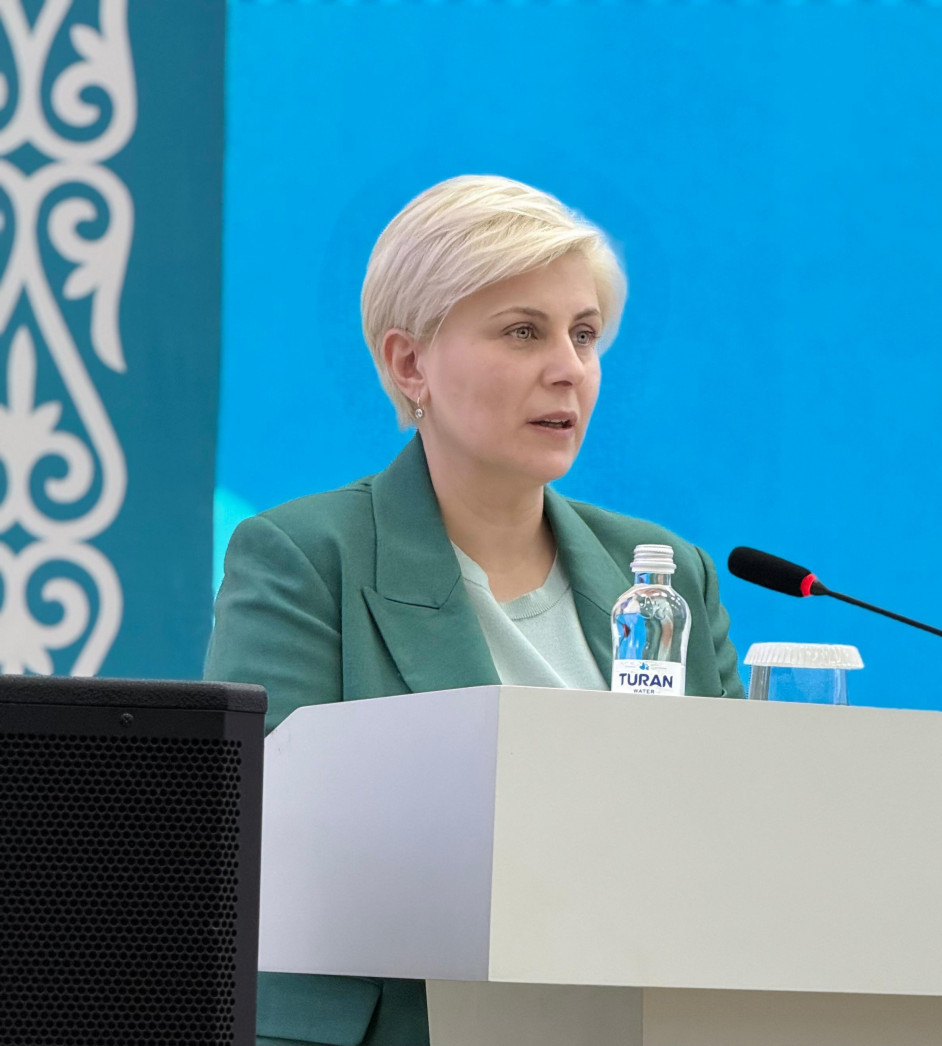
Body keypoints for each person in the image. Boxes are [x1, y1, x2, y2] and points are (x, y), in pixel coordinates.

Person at [205, 174, 746, 1046]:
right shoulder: (305, 557)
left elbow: (734, 821)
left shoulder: (664, 570)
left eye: (584, 335)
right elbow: (273, 834)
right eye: (523, 332)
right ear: (408, 363)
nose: (569, 369)